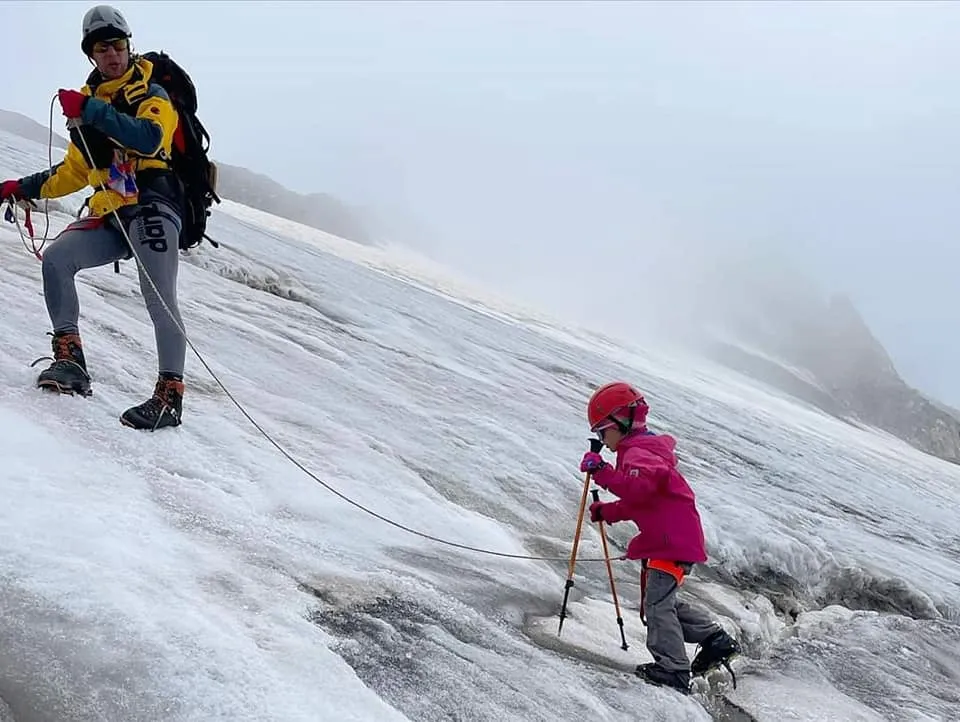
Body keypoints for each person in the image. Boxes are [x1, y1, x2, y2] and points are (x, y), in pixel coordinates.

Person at [0, 5, 186, 431]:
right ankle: (71, 361)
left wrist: (92, 112)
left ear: (128, 46)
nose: (112, 55)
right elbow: (73, 172)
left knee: (159, 296)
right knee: (58, 259)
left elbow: (148, 137)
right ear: (92, 55)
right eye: (102, 49)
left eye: (117, 46)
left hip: (155, 206)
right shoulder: (86, 107)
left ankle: (169, 399)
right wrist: (20, 188)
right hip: (114, 212)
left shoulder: (151, 94)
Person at [579, 381, 741, 692]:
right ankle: (714, 639)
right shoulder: (639, 451)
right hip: (673, 538)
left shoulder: (638, 453)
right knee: (658, 604)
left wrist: (601, 471)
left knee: (657, 607)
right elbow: (644, 500)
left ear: (620, 422)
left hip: (671, 542)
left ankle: (674, 670)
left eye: (603, 432)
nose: (603, 440)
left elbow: (640, 489)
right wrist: (608, 512)